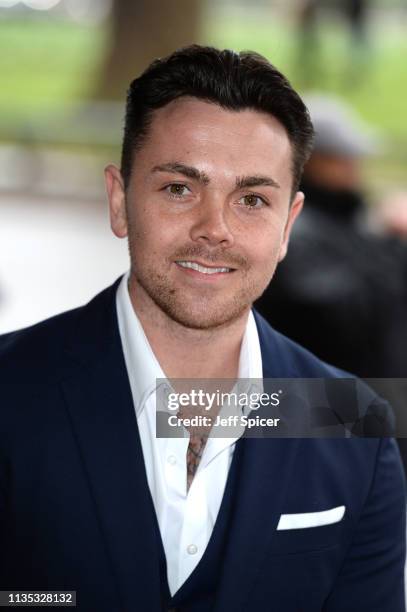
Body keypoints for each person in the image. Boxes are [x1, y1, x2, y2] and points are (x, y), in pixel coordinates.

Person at [0, 46, 405, 612]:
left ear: (288, 224)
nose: (214, 228)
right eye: (179, 188)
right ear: (119, 200)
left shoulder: (353, 422)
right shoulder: (10, 390)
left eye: (252, 199)